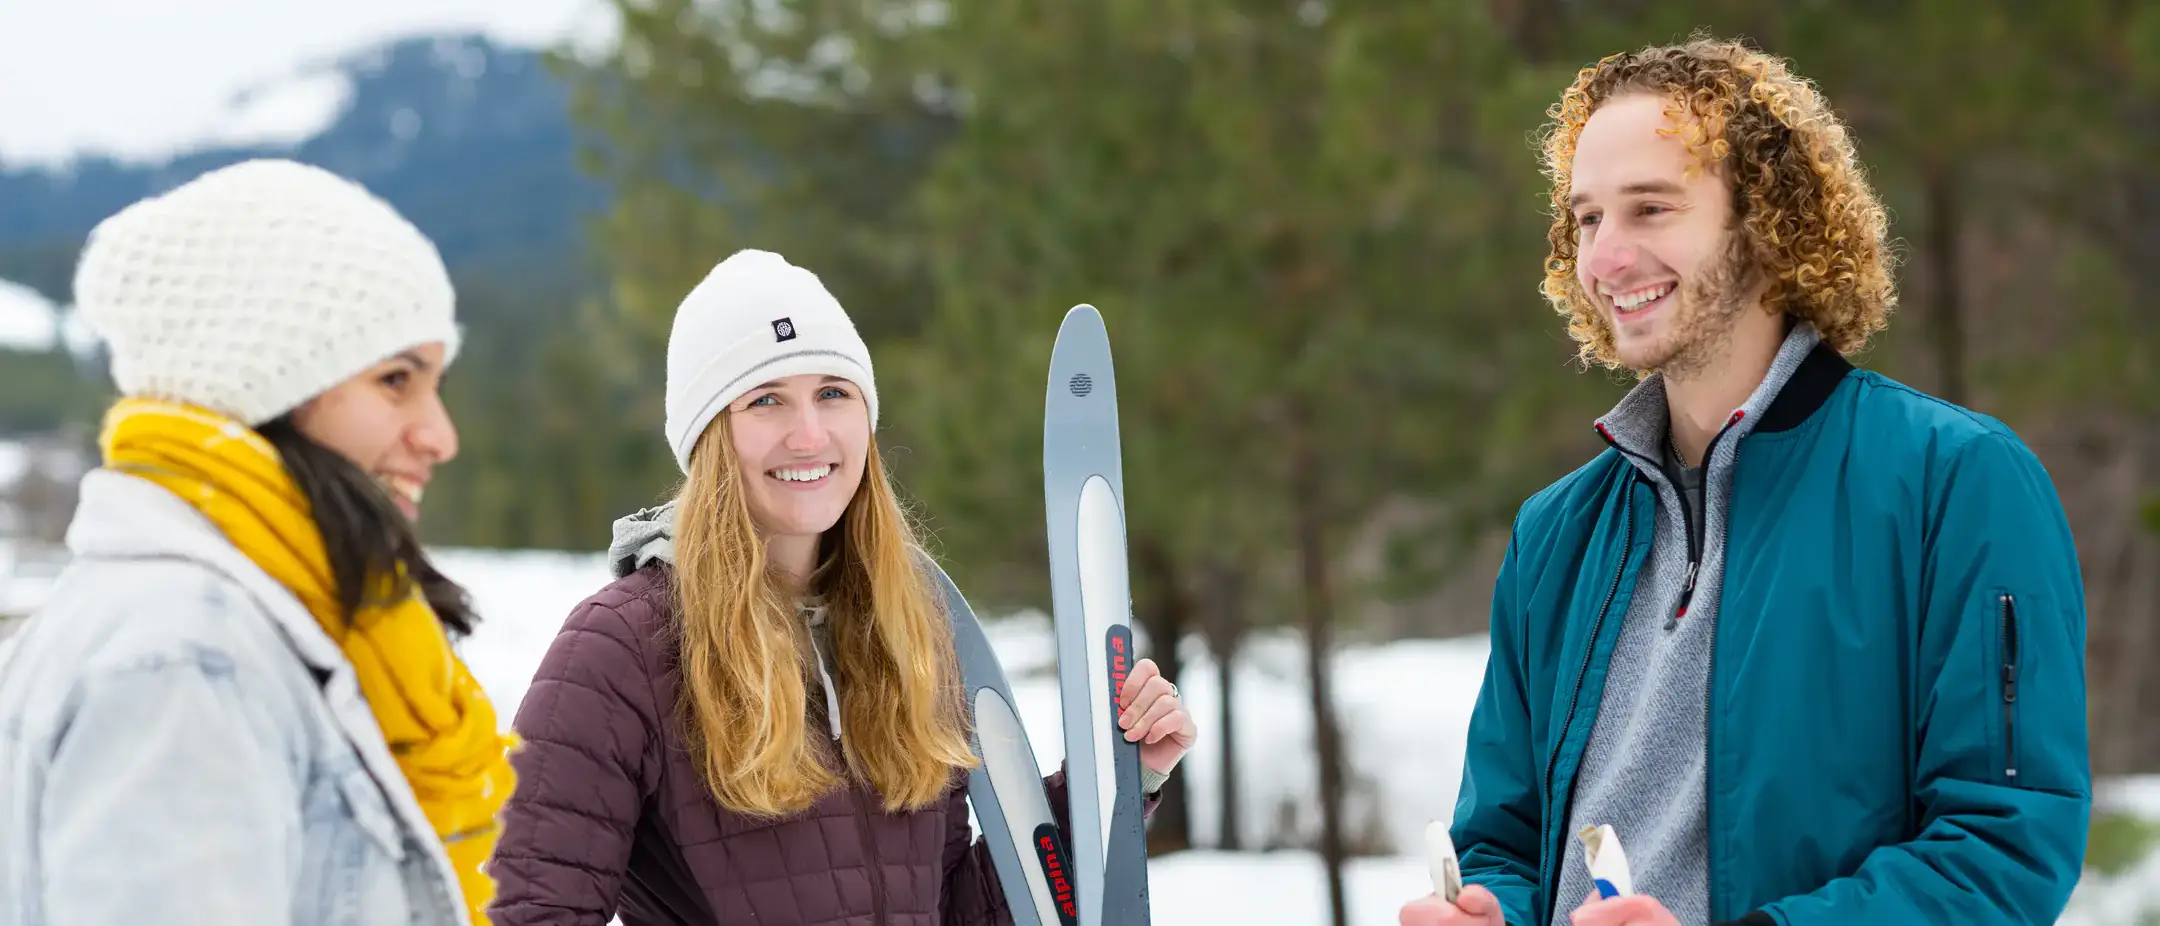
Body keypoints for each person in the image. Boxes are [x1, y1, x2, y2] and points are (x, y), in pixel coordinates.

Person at [1401, 35, 2089, 926]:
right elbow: (1505, 836)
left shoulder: (1955, 483)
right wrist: (1491, 907)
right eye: (1586, 219)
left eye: (1650, 209)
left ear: (1770, 223)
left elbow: (2005, 850)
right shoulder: (1555, 534)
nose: (1604, 258)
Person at [487, 248, 1200, 925]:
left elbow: (951, 912)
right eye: (765, 401)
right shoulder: (621, 648)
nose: (808, 435)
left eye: (832, 394)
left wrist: (1113, 784)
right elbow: (526, 908)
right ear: (709, 438)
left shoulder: (907, 630)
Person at [0, 159, 517, 926]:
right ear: (261, 384)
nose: (440, 435)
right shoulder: (184, 662)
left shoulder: (233, 626)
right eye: (396, 380)